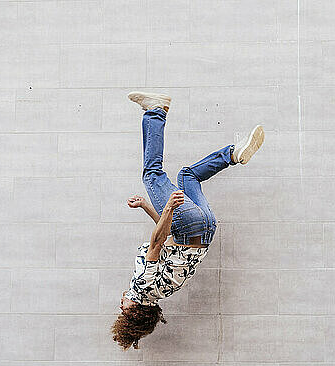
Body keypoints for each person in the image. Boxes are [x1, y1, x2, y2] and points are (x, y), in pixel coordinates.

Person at [111, 92, 265, 350]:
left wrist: (147, 206)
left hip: (204, 228)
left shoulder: (162, 291)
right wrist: (169, 207)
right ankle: (156, 110)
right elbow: (158, 242)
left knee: (188, 175)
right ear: (135, 312)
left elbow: (169, 239)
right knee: (151, 174)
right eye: (123, 311)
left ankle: (234, 154)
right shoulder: (143, 287)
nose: (120, 305)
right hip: (188, 227)